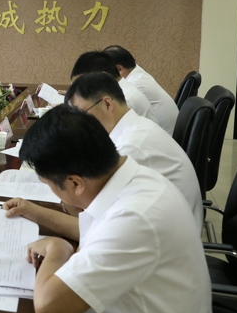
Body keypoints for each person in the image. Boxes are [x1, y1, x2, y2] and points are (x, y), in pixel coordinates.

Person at [3, 105, 215, 313]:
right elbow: (98, 232)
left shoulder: (135, 219)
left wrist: (57, 250)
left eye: (48, 184)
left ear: (75, 183)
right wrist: (35, 212)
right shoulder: (135, 179)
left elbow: (49, 308)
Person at [65, 72, 203, 233]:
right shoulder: (136, 126)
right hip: (167, 226)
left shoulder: (131, 147)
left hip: (170, 235)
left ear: (107, 104)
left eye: (82, 115)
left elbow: (92, 226)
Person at [103, 45, 179, 135]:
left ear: (119, 68)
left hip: (165, 134)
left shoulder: (134, 85)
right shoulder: (137, 73)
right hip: (166, 131)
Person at [70, 51, 158, 126]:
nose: (80, 89)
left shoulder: (125, 99)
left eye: (82, 83)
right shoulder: (122, 89)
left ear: (102, 76)